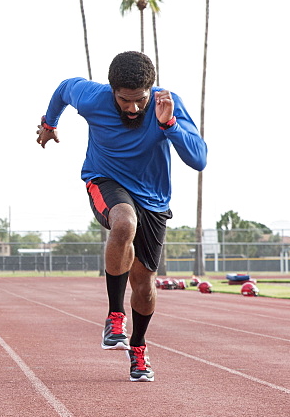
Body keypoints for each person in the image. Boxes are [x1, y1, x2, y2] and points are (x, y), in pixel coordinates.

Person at [36, 51, 207, 382]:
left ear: (150, 90)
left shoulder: (165, 104)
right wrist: (49, 124)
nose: (132, 108)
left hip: (154, 200)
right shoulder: (92, 97)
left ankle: (138, 349)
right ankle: (115, 315)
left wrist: (169, 124)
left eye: (139, 100)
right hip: (105, 180)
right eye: (124, 100)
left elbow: (198, 159)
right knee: (124, 223)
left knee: (143, 286)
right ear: (111, 90)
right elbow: (62, 89)